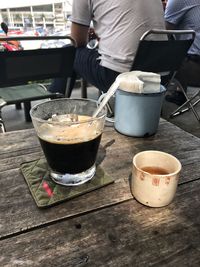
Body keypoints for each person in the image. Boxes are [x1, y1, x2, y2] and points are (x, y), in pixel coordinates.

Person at [49, 0, 165, 95]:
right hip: (159, 76)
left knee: (68, 52)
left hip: (119, 77)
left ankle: (52, 110)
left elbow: (77, 42)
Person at [164, 0, 200, 106]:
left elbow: (164, 31)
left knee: (154, 52)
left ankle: (150, 98)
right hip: (194, 60)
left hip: (194, 67)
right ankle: (180, 93)